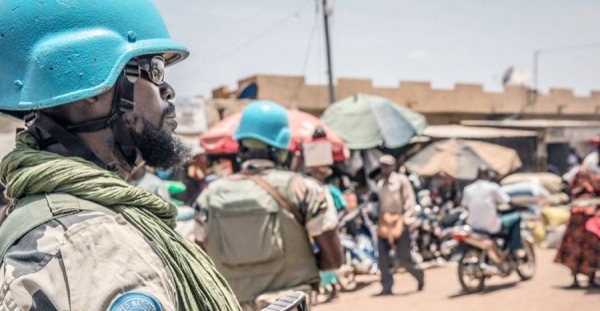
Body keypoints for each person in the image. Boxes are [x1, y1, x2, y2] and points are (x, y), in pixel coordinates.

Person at [0, 1, 240, 310]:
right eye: (155, 69)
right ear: (92, 85)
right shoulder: (97, 243)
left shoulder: (37, 215)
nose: (168, 90)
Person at [197, 101, 343, 310]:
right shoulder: (304, 189)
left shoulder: (209, 196)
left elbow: (201, 254)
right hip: (290, 303)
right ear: (282, 146)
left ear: (240, 146)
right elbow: (333, 260)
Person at [376, 155, 424, 295]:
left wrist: (408, 221)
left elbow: (409, 201)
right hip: (385, 222)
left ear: (393, 166)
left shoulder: (401, 181)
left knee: (403, 256)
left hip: (400, 221)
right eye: (383, 165)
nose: (385, 168)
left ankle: (418, 274)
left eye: (388, 165)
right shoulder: (380, 184)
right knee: (382, 256)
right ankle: (386, 286)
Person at [555, 155, 600, 288]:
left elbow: (566, 185)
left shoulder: (577, 173)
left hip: (578, 214)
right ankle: (590, 278)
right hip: (589, 215)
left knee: (574, 246)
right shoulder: (592, 175)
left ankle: (576, 279)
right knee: (591, 247)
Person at [462, 166, 524, 256]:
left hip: (474, 226)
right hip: (491, 227)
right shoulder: (492, 187)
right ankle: (515, 249)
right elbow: (508, 201)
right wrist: (522, 207)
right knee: (516, 218)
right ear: (488, 175)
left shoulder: (467, 189)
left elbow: (464, 205)